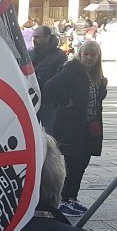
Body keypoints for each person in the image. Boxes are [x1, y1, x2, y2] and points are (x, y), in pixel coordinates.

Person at [39, 38, 106, 216]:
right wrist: (66, 101)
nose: (89, 58)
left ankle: (72, 198)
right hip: (71, 126)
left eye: (93, 55)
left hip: (89, 126)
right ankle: (63, 199)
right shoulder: (73, 70)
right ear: (80, 54)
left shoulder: (95, 74)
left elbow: (96, 98)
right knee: (71, 163)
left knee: (82, 162)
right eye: (86, 54)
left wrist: (103, 88)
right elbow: (50, 86)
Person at [28, 25, 67, 91]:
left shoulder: (60, 55)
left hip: (50, 94)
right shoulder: (30, 54)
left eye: (38, 37)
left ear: (47, 37)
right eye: (34, 37)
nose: (34, 40)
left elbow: (61, 79)